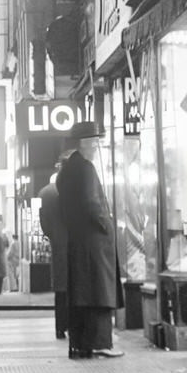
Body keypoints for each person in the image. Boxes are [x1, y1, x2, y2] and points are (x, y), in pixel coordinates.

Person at [56, 121, 124, 359]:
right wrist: (106, 224)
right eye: (96, 142)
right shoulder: (85, 168)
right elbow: (91, 202)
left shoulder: (66, 170)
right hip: (94, 243)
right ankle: (100, 343)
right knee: (99, 292)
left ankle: (81, 343)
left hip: (78, 241)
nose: (98, 147)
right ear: (85, 143)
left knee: (82, 294)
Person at [39, 161, 70, 340]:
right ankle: (73, 325)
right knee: (74, 288)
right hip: (74, 245)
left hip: (57, 246)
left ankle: (60, 328)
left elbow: (44, 223)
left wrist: (52, 236)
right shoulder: (71, 190)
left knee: (60, 290)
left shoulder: (45, 193)